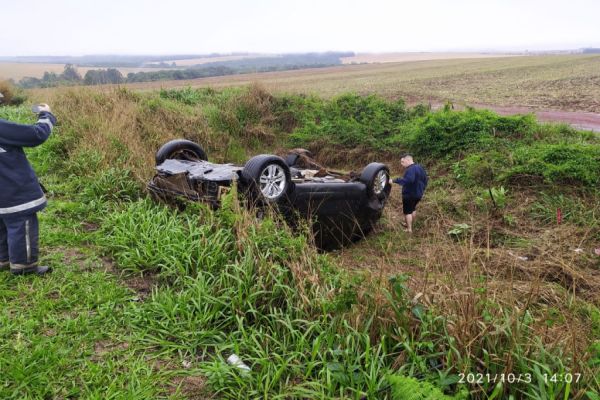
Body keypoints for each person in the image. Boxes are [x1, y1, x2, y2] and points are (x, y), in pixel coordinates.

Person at [0, 98, 56, 275]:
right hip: (13, 192)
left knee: (2, 224)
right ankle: (24, 267)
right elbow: (35, 135)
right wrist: (46, 115)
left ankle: (4, 259)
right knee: (21, 225)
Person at [392, 154, 428, 233]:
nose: (402, 164)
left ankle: (409, 229)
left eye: (403, 161)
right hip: (418, 194)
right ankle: (409, 223)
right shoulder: (420, 167)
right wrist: (422, 189)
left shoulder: (410, 169)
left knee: (407, 212)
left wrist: (394, 180)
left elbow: (408, 180)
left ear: (408, 160)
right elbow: (426, 179)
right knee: (413, 208)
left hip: (409, 194)